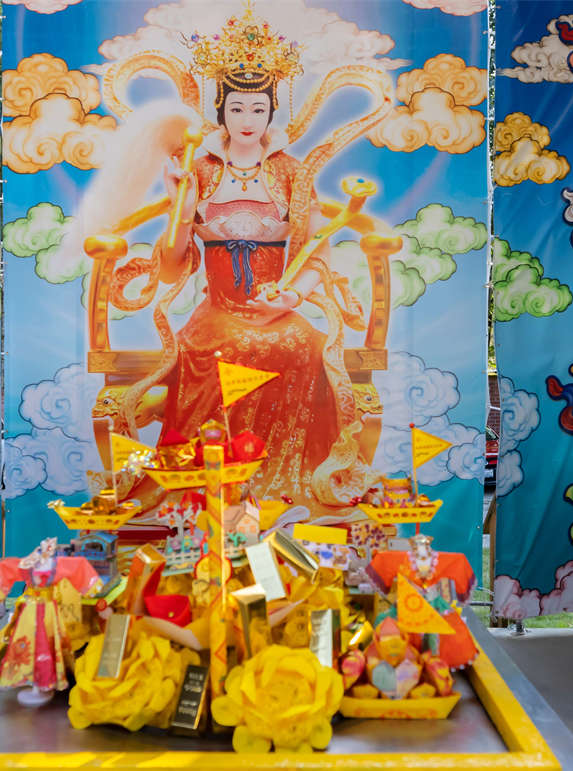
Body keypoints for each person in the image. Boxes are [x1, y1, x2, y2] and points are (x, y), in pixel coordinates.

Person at [95, 7, 376, 517]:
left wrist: (293, 295)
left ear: (271, 114)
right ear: (221, 112)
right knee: (228, 348)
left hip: (277, 307)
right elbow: (174, 264)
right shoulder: (198, 169)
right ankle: (213, 487)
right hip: (219, 311)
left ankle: (279, 488)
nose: (247, 120)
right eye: (237, 109)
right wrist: (180, 207)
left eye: (257, 110)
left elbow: (318, 246)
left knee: (304, 344)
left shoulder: (290, 172)